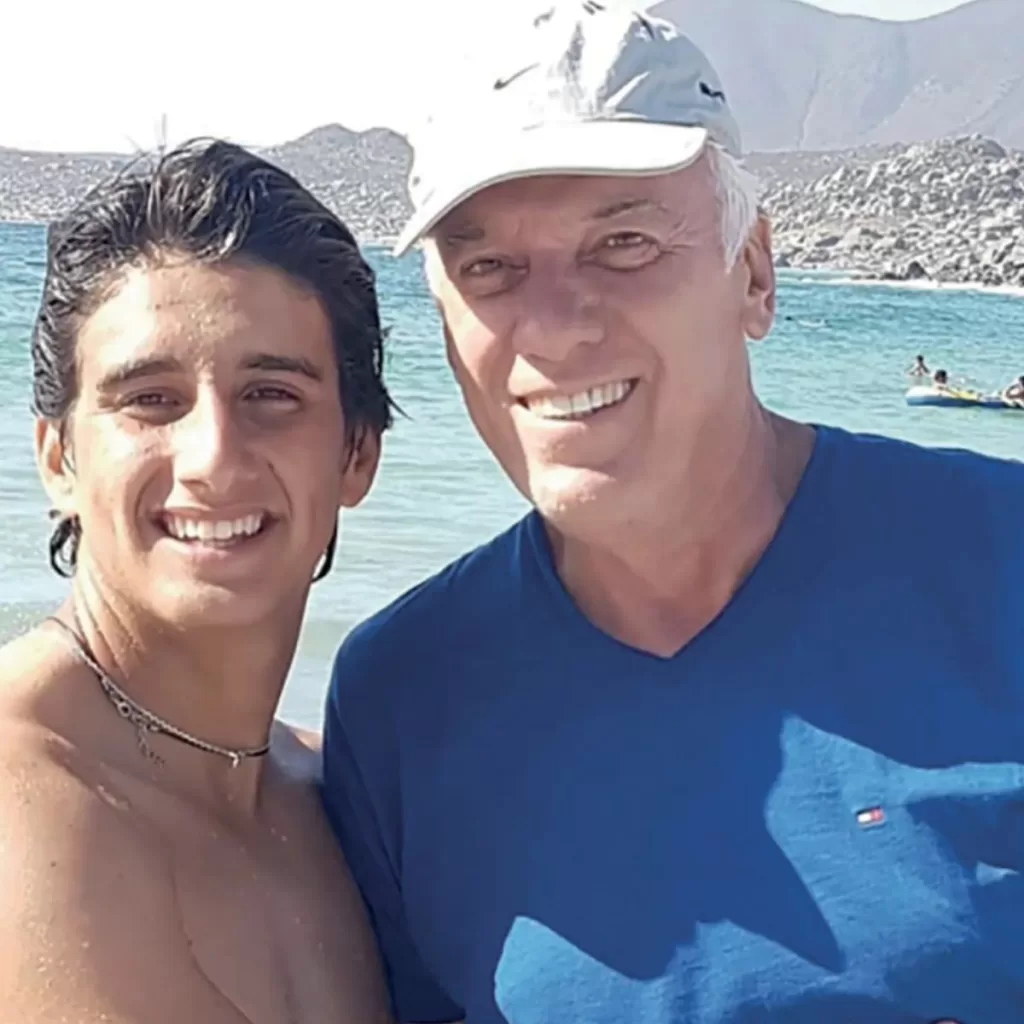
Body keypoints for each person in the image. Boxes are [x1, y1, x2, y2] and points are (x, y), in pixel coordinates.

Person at [321, 4, 1024, 1024]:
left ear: (753, 274)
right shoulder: (403, 696)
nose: (552, 329)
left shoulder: (998, 564)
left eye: (624, 243)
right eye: (489, 269)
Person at [0, 140, 394, 1023]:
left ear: (357, 453)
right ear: (59, 459)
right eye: (151, 399)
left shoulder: (333, 796)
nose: (213, 457)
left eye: (271, 394)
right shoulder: (23, 800)